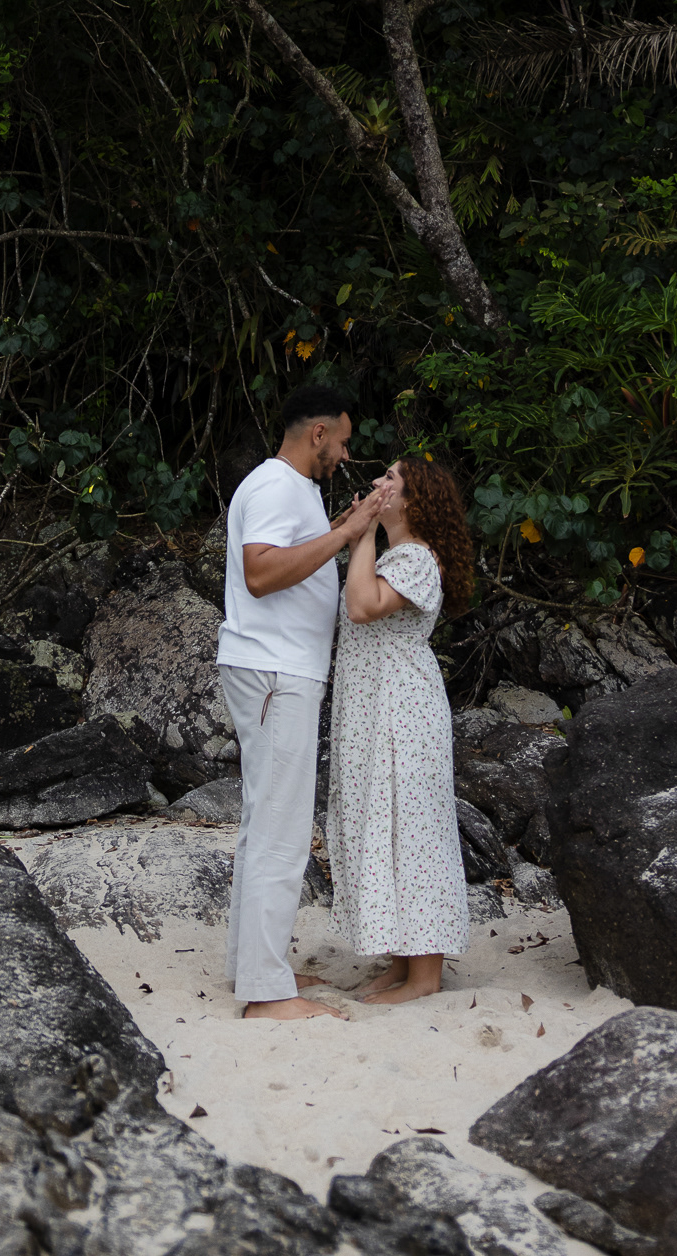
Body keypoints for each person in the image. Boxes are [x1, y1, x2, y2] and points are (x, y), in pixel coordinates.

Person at [219, 383, 385, 1020]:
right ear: (319, 433)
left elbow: (289, 560)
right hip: (274, 671)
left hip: (278, 668)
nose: (345, 454)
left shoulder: (297, 490)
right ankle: (265, 994)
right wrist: (345, 537)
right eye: (342, 442)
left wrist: (342, 527)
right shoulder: (274, 485)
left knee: (264, 822)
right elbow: (261, 573)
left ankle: (252, 968)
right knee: (281, 832)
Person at [326, 455, 474, 1004]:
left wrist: (360, 533)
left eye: (389, 478)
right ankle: (401, 962)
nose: (376, 483)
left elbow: (363, 607)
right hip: (375, 708)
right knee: (386, 827)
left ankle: (425, 977)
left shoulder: (415, 558)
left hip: (403, 711)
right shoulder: (396, 556)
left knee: (414, 831)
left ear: (414, 500)